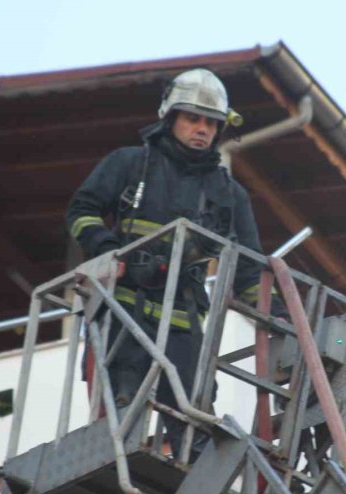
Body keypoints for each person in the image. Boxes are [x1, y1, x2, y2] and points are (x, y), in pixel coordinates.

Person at [65, 68, 282, 459]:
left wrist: (280, 319)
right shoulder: (130, 164)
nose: (202, 129)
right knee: (123, 393)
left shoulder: (229, 194)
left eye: (211, 123)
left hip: (182, 313)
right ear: (171, 118)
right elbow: (83, 211)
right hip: (123, 306)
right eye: (192, 118)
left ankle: (193, 476)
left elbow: (250, 273)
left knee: (195, 408)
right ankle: (119, 464)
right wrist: (109, 250)